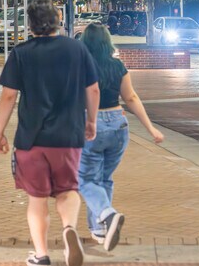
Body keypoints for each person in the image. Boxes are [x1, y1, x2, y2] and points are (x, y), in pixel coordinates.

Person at [0, 0, 99, 266]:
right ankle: (69, 229)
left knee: (37, 198)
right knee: (68, 190)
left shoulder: (21, 53)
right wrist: (91, 122)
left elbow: (8, 96)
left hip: (32, 139)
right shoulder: (77, 49)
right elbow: (93, 89)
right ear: (58, 20)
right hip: (68, 135)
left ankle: (41, 255)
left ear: (30, 25)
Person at [79, 23, 164, 251]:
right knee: (104, 178)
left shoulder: (80, 66)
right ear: (107, 42)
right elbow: (131, 98)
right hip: (118, 125)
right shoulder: (118, 66)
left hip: (91, 124)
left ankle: (107, 214)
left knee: (86, 180)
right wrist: (150, 129)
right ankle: (99, 229)